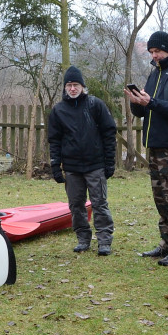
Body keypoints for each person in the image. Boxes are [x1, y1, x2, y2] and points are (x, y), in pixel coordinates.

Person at [125, 30, 168, 266]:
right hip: (155, 145)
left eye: (157, 51)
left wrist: (151, 102)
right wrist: (138, 104)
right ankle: (167, 243)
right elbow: (146, 110)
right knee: (161, 198)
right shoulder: (155, 74)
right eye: (152, 52)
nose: (154, 56)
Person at [48, 66, 117, 256]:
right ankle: (83, 239)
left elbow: (109, 134)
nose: (72, 89)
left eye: (76, 85)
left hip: (95, 165)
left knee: (99, 203)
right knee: (76, 205)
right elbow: (54, 140)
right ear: (64, 88)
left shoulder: (95, 105)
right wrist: (55, 165)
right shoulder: (58, 111)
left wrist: (110, 162)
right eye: (69, 85)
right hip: (71, 168)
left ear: (82, 86)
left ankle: (104, 241)